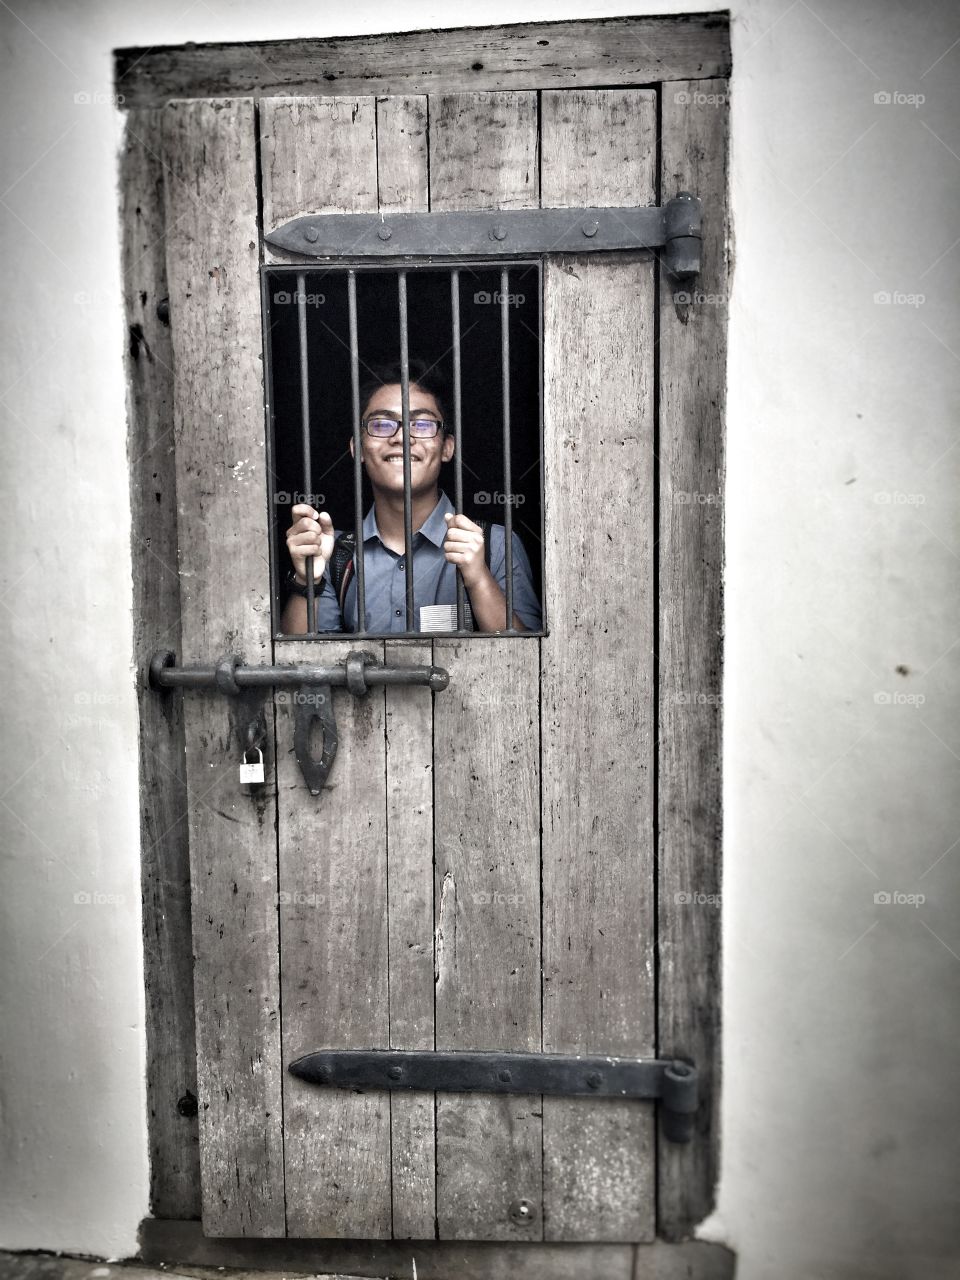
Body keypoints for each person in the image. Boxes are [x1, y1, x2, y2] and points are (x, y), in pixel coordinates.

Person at [280, 361, 542, 635]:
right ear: (358, 449)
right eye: (381, 424)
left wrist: (478, 579)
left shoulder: (496, 545)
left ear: (447, 448)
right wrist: (306, 580)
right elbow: (303, 669)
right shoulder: (335, 554)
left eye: (422, 423)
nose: (402, 437)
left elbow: (530, 663)